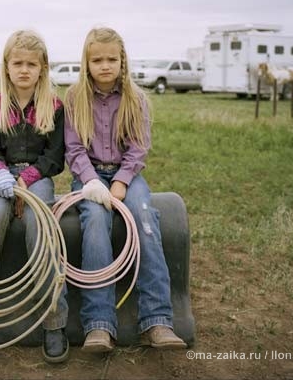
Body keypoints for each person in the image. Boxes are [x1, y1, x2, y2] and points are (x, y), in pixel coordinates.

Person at [64, 27, 186, 353]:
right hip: (89, 177)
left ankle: (157, 320)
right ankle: (98, 325)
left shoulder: (136, 98)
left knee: (144, 218)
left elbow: (139, 148)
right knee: (94, 224)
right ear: (86, 63)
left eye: (111, 59)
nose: (105, 65)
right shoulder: (76, 98)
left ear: (123, 61)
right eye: (97, 60)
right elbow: (74, 150)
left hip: (126, 176)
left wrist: (121, 181)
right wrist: (91, 182)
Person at [0, 30, 69, 363]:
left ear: (42, 68)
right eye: (17, 63)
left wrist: (27, 179)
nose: (24, 70)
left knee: (40, 225)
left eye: (31, 64)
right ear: (6, 67)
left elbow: (55, 157)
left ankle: (54, 321)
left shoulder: (55, 107)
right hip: (3, 178)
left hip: (39, 178)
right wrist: (2, 173)